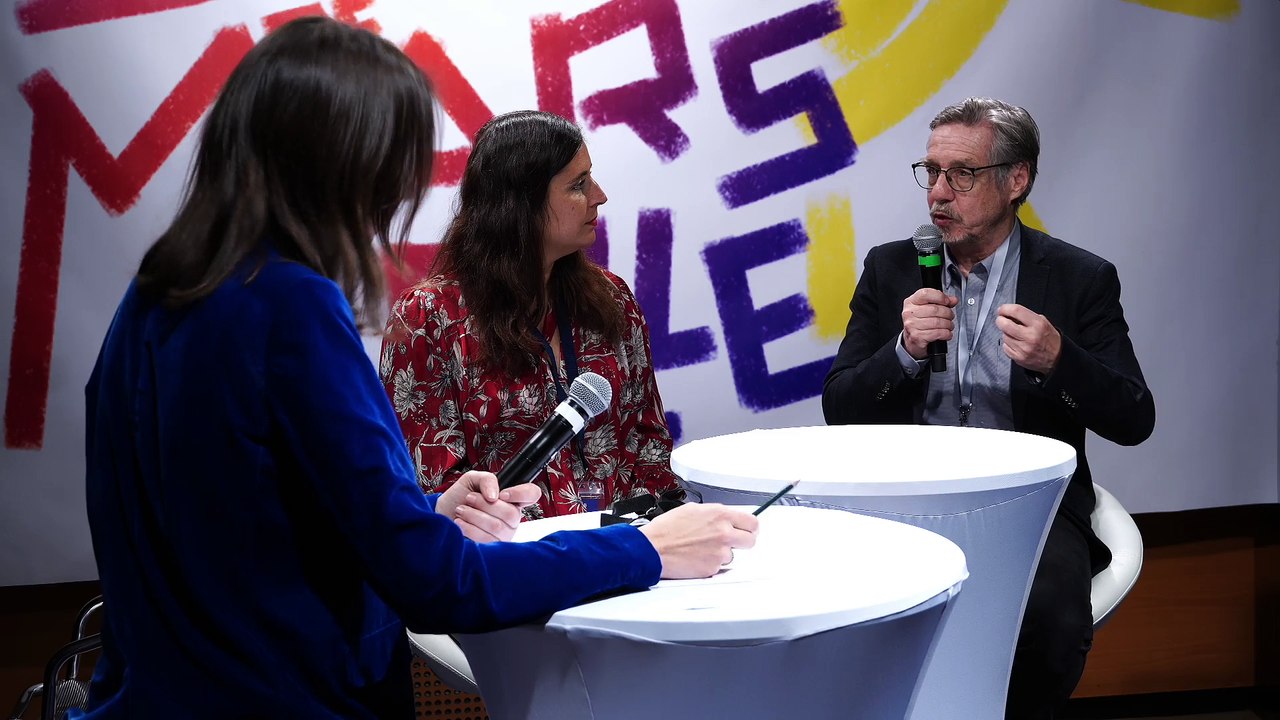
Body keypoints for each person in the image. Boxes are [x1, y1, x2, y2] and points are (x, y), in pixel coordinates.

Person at [79, 17, 757, 719]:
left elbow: (236, 529)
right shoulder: (293, 306)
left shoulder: (152, 299)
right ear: (346, 164)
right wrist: (642, 551)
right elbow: (437, 583)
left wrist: (415, 515)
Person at [822, 97, 1154, 718]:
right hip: (907, 496)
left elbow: (1135, 417)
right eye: (931, 172)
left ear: (1016, 180)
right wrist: (903, 353)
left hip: (1029, 503)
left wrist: (1061, 360)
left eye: (962, 175)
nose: (938, 194)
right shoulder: (892, 267)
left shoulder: (1079, 279)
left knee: (1051, 611)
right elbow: (839, 407)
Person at [381, 110, 680, 519]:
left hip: (628, 547)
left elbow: (650, 444)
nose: (599, 195)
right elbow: (431, 489)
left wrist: (648, 530)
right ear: (520, 204)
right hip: (509, 562)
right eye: (578, 185)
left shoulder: (613, 298)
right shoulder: (428, 319)